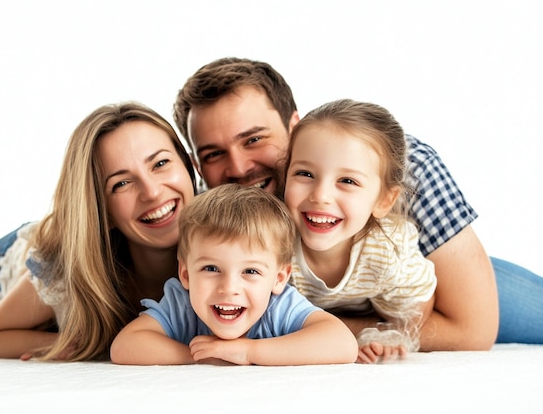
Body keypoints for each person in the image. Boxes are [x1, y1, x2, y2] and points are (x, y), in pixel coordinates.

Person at [173, 56, 543, 350]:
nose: (238, 167)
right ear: (197, 164)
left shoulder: (400, 169)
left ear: (294, 126)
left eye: (254, 139)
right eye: (213, 153)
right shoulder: (216, 216)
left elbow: (471, 330)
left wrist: (323, 334)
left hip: (422, 278)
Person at [0, 101, 197, 361]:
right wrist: (72, 345)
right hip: (1, 275)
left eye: (160, 164)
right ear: (102, 213)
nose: (151, 192)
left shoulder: (226, 231)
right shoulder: (66, 264)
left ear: (188, 167)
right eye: (120, 184)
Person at [110, 183, 358, 365]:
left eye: (250, 271)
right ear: (185, 273)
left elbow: (342, 343)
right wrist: (203, 354)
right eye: (211, 268)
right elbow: (125, 345)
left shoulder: (278, 306)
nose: (228, 288)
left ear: (279, 279)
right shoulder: (182, 303)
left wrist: (250, 352)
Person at [283, 99, 437, 363]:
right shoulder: (272, 242)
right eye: (305, 174)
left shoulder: (389, 251)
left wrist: (388, 335)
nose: (321, 195)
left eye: (347, 181)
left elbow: (416, 304)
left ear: (384, 200)